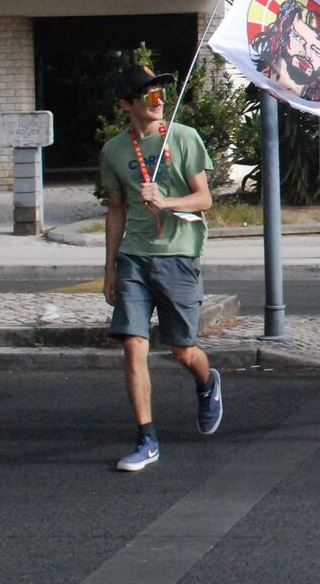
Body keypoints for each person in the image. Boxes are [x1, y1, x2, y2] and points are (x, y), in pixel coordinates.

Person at [100, 63, 220, 473]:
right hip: (134, 256)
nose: (158, 99)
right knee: (134, 346)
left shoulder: (183, 138)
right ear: (126, 105)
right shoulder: (115, 151)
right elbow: (115, 209)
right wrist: (110, 267)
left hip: (178, 256)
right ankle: (146, 438)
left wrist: (167, 201)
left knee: (183, 350)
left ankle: (207, 383)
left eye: (160, 91)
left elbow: (204, 199)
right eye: (147, 94)